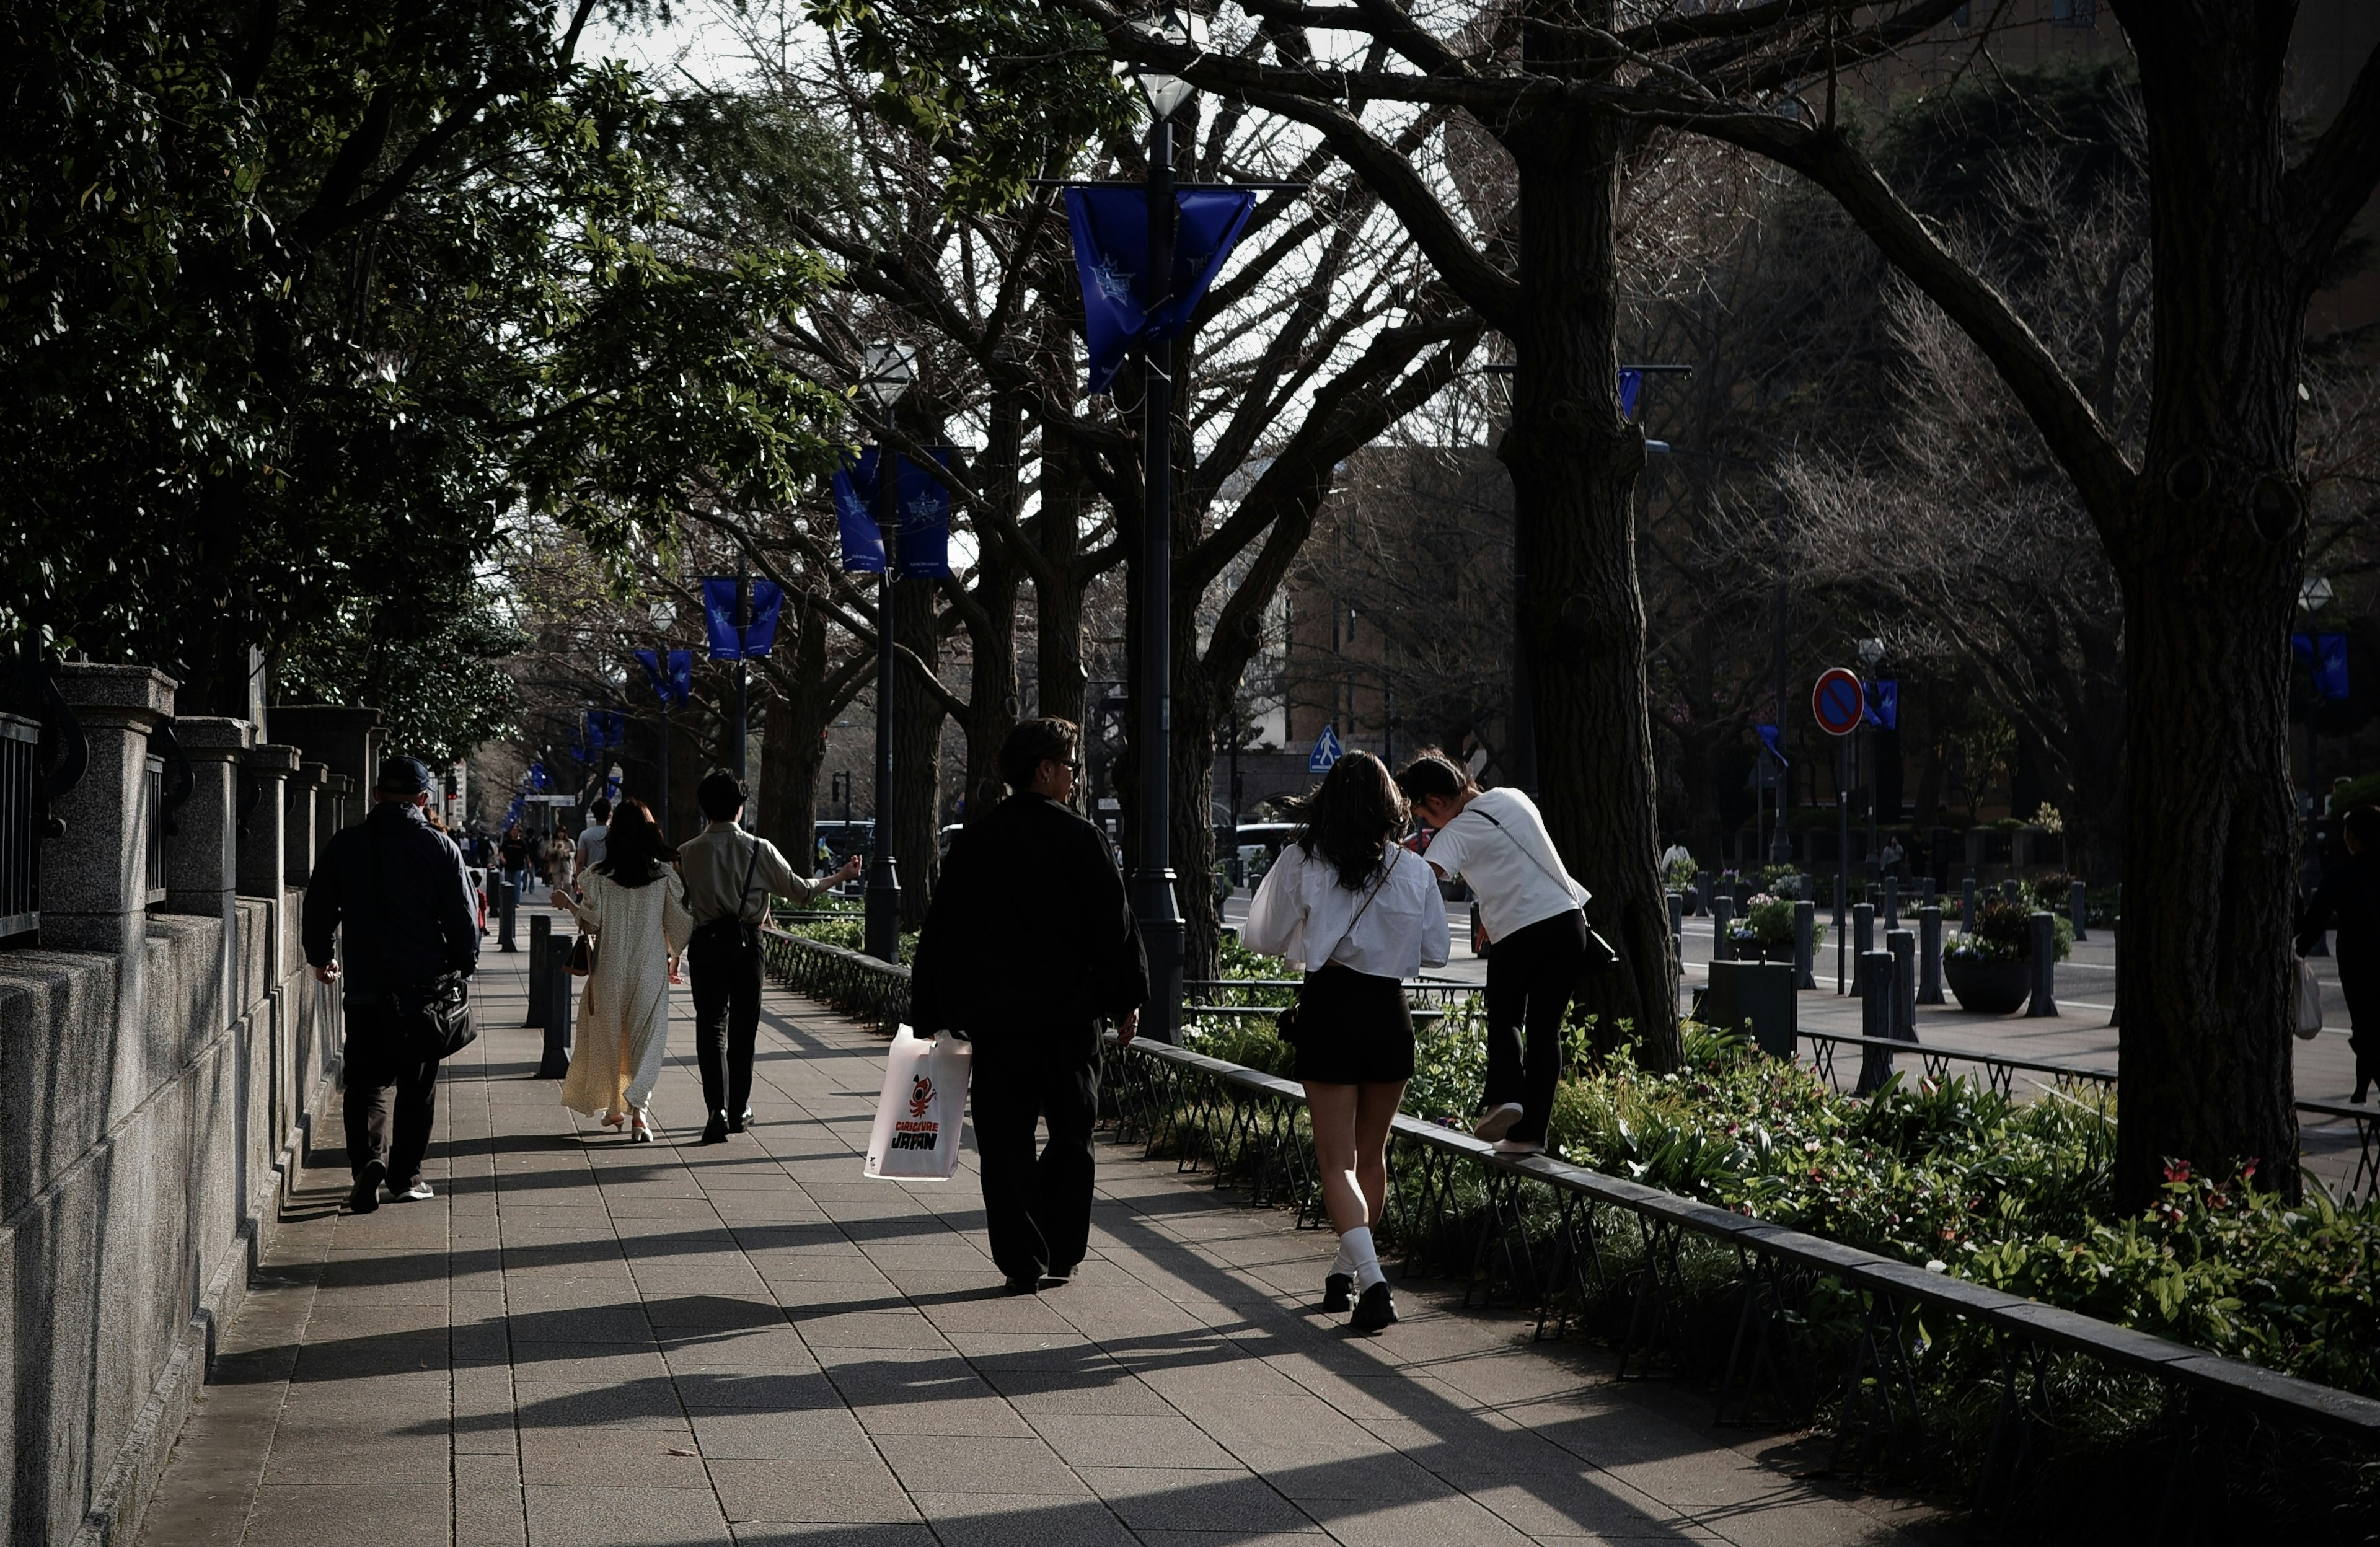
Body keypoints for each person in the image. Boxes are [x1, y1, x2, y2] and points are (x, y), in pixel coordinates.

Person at [910, 718, 1148, 1294]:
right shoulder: (1082, 839)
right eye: (1070, 764)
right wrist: (1126, 998)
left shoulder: (975, 841)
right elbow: (1112, 928)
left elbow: (942, 933)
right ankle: (1063, 1246)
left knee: (1005, 1137)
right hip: (1069, 1019)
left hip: (998, 1023)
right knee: (1073, 1132)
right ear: (1045, 770)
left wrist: (932, 1010)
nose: (1074, 775)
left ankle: (1021, 1256)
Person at [1241, 752, 1447, 1333]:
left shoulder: (1303, 860)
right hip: (1389, 1013)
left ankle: (1374, 1285)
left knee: (1336, 1162)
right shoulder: (1413, 871)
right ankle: (1344, 1274)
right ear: (1391, 806)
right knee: (1371, 1156)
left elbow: (1264, 935)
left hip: (1329, 1009)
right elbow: (1433, 952)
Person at [302, 756, 482, 1213]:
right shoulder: (440, 847)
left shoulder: (346, 844)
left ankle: (367, 1162)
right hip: (424, 989)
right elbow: (463, 920)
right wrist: (463, 965)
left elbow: (319, 906)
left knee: (365, 1081)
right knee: (417, 1084)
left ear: (377, 794)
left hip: (365, 984)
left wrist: (322, 958)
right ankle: (406, 1176)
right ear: (423, 799)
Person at [1395, 751, 1593, 1157]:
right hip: (1569, 924)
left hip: (1523, 933)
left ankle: (1505, 1097)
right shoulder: (1513, 797)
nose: (1428, 824)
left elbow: (1421, 880)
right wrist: (1490, 910)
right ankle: (1531, 1135)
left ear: (1435, 802)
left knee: (1503, 1016)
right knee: (1545, 1030)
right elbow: (1513, 861)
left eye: (1423, 816)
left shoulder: (1454, 834)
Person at [678, 772, 862, 1142]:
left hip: (706, 944)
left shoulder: (687, 853)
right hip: (747, 944)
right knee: (744, 1029)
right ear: (740, 809)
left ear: (704, 809)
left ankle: (715, 1109)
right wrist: (840, 875)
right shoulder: (758, 849)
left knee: (710, 1027)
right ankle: (738, 1109)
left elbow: (681, 905)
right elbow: (800, 891)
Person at [551, 799, 693, 1140]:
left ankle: (614, 1107)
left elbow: (592, 922)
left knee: (607, 1038)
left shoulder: (598, 876)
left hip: (608, 970)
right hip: (648, 969)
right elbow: (680, 924)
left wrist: (569, 904)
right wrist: (674, 958)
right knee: (647, 1040)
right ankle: (638, 1115)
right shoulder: (663, 876)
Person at [2300, 804, 2380, 1103]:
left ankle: (2365, 1089)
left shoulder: (2342, 874)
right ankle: (2361, 1091)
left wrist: (2298, 951)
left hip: (2357, 961)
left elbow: (2316, 920)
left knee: (2364, 1026)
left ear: (2355, 838)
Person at [575, 797, 612, 880]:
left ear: (595, 815)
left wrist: (577, 882)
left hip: (592, 877)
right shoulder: (615, 834)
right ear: (610, 815)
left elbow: (580, 862)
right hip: (612, 878)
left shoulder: (585, 835)